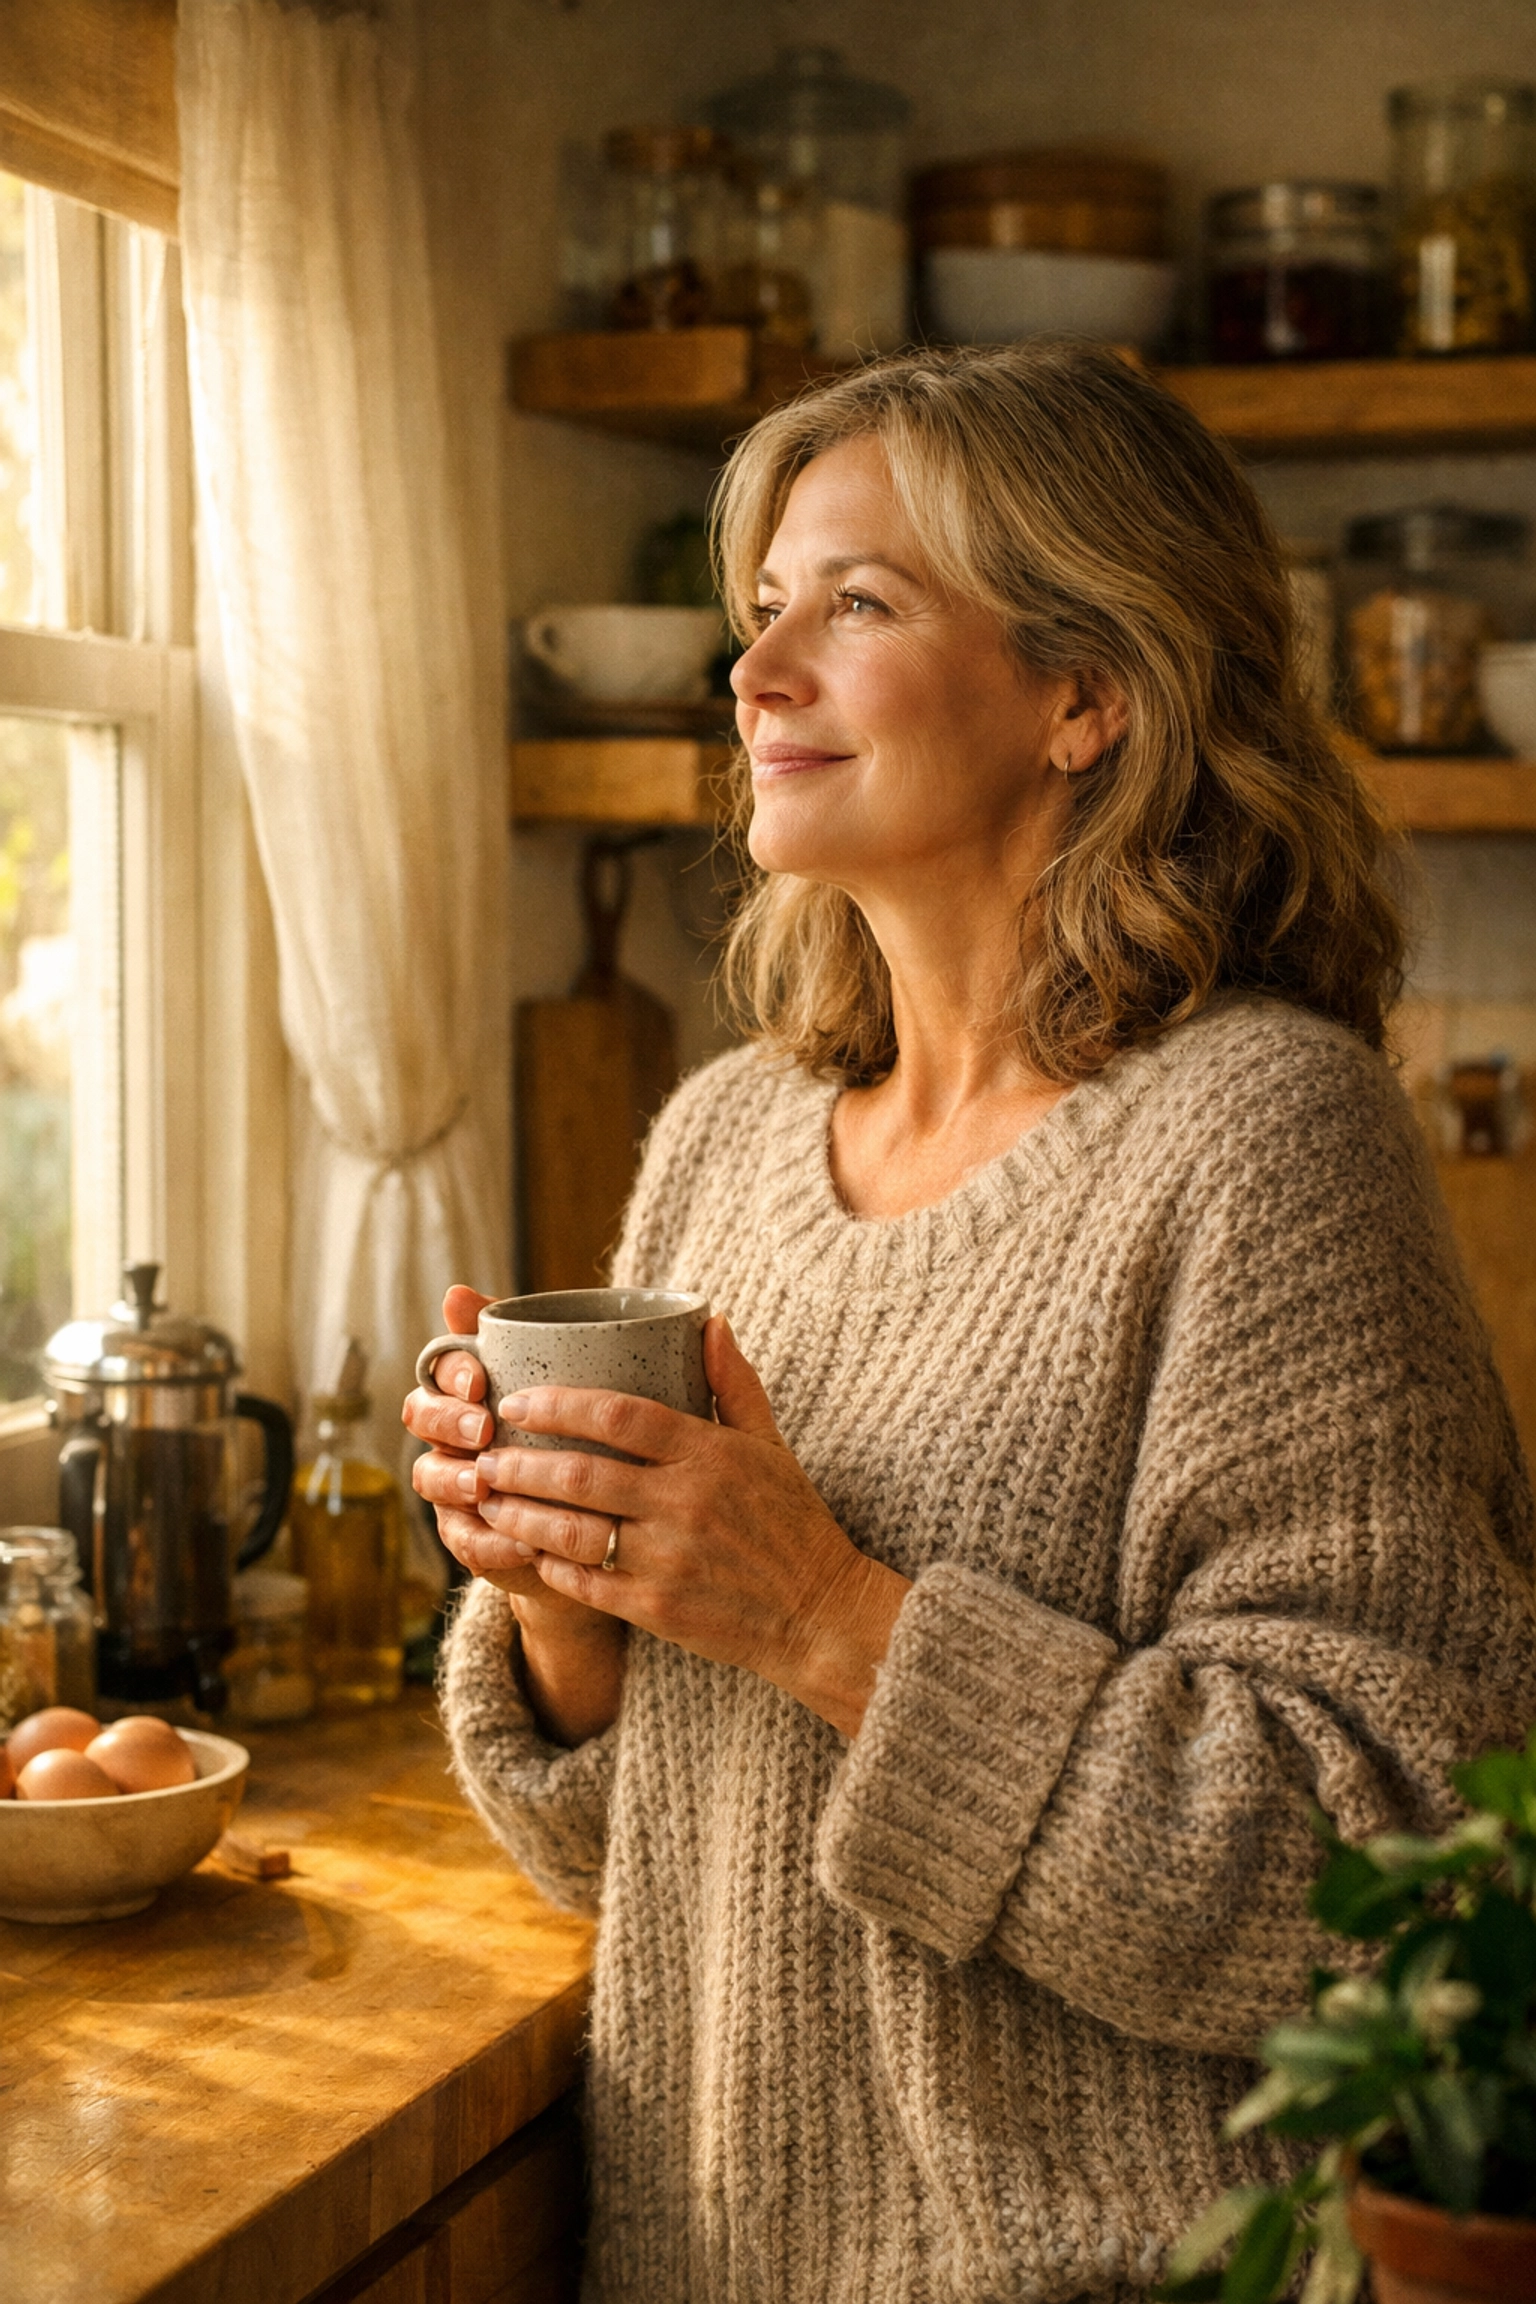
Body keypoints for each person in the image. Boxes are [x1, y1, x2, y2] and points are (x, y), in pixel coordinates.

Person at [405, 342, 1536, 2304]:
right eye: (760, 614)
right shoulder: (725, 1142)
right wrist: (571, 1613)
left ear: (1085, 695)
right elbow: (655, 1861)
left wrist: (830, 1617)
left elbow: (1401, 1876)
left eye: (857, 604)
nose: (755, 675)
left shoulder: (1256, 1140)